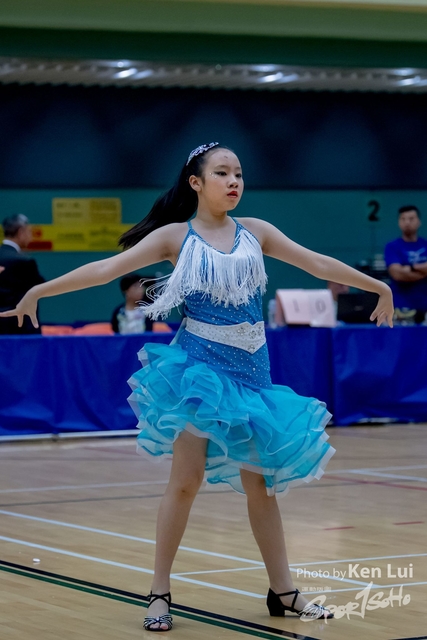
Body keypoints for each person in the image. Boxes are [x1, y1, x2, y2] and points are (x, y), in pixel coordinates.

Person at [0, 143, 394, 630]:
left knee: (260, 486)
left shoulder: (256, 232)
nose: (234, 181)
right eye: (222, 173)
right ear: (196, 182)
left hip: (253, 376)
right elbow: (105, 269)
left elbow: (317, 263)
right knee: (185, 482)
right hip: (199, 375)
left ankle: (283, 591)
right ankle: (159, 592)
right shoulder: (175, 237)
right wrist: (39, 290)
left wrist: (378, 285)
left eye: (239, 174)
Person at [0, 214, 45, 334]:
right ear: (21, 232)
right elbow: (41, 287)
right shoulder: (24, 261)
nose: (30, 236)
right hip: (21, 328)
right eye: (29, 232)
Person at [384, 205, 427, 323]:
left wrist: (410, 267)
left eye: (411, 218)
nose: (407, 222)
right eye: (403, 219)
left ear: (419, 221)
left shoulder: (425, 244)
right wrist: (423, 271)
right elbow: (397, 274)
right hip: (401, 308)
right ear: (399, 222)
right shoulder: (392, 247)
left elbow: (403, 271)